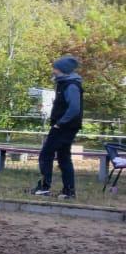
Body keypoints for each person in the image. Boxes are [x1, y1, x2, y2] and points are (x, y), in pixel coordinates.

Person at [31, 56, 83, 199]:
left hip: (63, 127)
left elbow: (74, 108)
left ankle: (44, 188)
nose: (53, 71)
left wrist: (60, 123)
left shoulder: (71, 85)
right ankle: (69, 191)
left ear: (63, 70)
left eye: (55, 68)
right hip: (66, 126)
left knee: (46, 155)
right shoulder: (64, 83)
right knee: (64, 157)